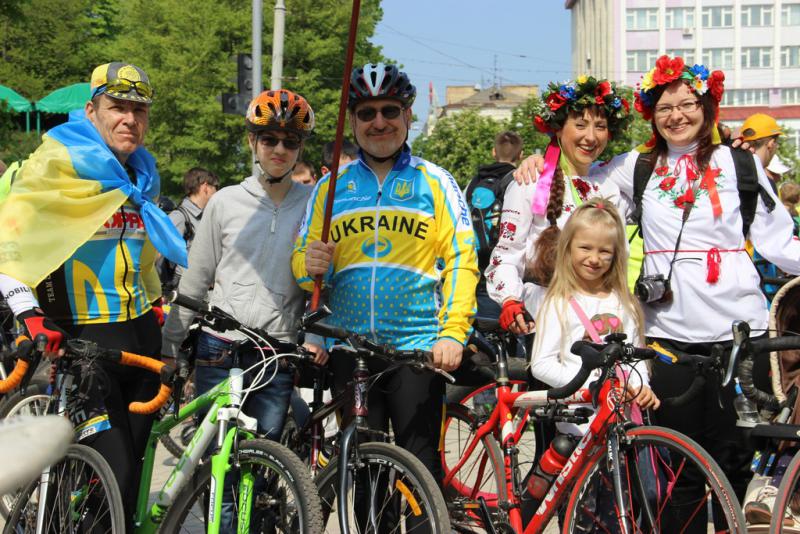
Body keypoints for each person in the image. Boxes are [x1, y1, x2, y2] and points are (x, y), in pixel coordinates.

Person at [0, 62, 186, 528]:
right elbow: (7, 247)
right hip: (86, 341)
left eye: (139, 111)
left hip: (141, 343)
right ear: (91, 111)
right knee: (113, 474)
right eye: (117, 107)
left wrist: (158, 306)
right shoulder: (55, 166)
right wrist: (29, 314)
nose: (129, 119)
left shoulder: (141, 176)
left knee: (129, 482)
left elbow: (142, 259)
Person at [292, 63, 479, 485]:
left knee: (420, 473)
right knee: (363, 477)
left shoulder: (435, 182)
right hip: (350, 350)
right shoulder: (329, 188)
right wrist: (309, 265)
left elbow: (462, 260)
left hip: (416, 349)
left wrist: (453, 333)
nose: (379, 122)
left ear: (408, 115)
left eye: (390, 111)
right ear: (352, 122)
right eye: (367, 113)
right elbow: (303, 268)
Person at [162, 89, 326, 446]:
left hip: (276, 350)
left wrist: (316, 337)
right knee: (215, 456)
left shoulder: (316, 207)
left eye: (290, 141)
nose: (279, 149)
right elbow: (195, 278)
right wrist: (170, 346)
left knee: (262, 458)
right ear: (252, 141)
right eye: (269, 139)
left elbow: (324, 282)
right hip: (219, 346)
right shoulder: (225, 202)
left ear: (301, 148)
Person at [519, 197, 658, 522]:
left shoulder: (625, 303)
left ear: (616, 255)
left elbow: (634, 358)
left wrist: (641, 386)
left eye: (604, 251)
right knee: (582, 517)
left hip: (621, 430)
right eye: (585, 248)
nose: (594, 259)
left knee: (623, 513)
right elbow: (541, 364)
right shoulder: (558, 302)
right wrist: (592, 386)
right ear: (568, 249)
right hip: (578, 430)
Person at [485, 76, 632, 335]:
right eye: (580, 125)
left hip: (602, 321)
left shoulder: (611, 187)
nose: (591, 137)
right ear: (558, 129)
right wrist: (510, 299)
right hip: (547, 320)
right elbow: (506, 256)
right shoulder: (530, 182)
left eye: (600, 126)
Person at [465, 130, 523, 319]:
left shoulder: (475, 182)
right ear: (521, 155)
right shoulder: (519, 181)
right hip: (507, 270)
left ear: (493, 152)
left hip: (476, 267)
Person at [159, 167, 219, 290]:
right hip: (182, 292)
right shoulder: (179, 217)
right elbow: (159, 255)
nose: (217, 192)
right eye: (215, 187)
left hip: (203, 290)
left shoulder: (206, 216)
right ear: (205, 187)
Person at [741, 112, 784, 186]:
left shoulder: (735, 170)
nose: (777, 147)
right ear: (771, 143)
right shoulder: (765, 183)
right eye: (777, 143)